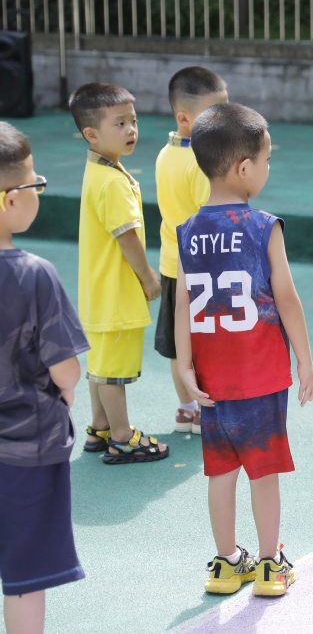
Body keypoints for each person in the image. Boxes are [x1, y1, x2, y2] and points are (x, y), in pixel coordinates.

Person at [175, 103, 313, 596]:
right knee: (264, 471)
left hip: (212, 380)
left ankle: (224, 562)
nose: (267, 167)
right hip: (259, 375)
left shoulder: (187, 232)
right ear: (243, 168)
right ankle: (269, 564)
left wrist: (184, 365)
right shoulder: (263, 226)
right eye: (267, 159)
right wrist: (305, 360)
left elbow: (181, 304)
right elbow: (288, 300)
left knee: (220, 472)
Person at [0, 123, 88, 634]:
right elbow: (66, 369)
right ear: (12, 199)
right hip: (27, 449)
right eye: (35, 184)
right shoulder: (34, 273)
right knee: (26, 576)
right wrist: (67, 391)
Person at [69, 83, 169, 464]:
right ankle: (123, 437)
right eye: (120, 123)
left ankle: (100, 427)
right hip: (116, 294)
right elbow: (126, 237)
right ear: (91, 134)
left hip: (99, 293)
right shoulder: (112, 182)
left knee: (100, 367)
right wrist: (147, 278)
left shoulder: (101, 169)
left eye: (133, 120)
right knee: (113, 374)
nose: (131, 130)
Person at [154, 67, 226, 436]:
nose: (223, 121)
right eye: (214, 114)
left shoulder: (165, 154)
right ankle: (204, 410)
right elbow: (210, 220)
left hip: (171, 263)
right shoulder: (201, 164)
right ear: (185, 119)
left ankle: (186, 409)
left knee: (177, 345)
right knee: (202, 347)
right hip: (201, 271)